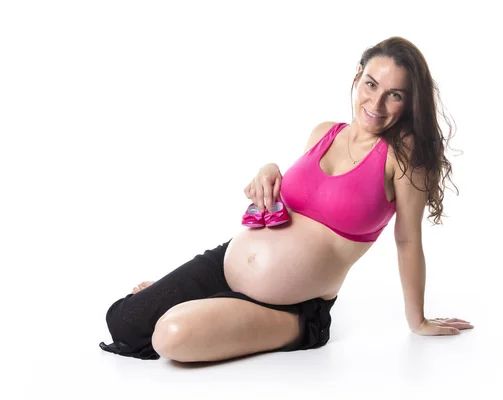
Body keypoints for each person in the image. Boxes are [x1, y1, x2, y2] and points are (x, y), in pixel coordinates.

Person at [99, 36, 474, 362]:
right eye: (371, 84)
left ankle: (299, 329)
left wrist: (418, 320)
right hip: (226, 264)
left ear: (410, 103)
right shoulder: (323, 133)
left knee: (169, 337)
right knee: (124, 321)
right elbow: (296, 199)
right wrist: (268, 169)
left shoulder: (404, 156)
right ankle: (205, 301)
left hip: (289, 304)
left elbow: (407, 240)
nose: (376, 103)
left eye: (395, 95)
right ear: (357, 75)